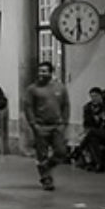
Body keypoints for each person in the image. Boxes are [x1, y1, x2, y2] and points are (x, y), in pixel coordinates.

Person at [23, 60, 70, 191]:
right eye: (40, 71)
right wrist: (33, 124)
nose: (41, 74)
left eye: (44, 71)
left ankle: (47, 166)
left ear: (51, 72)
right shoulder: (32, 89)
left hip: (57, 125)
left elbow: (65, 105)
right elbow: (28, 107)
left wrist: (64, 122)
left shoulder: (60, 88)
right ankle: (46, 179)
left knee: (61, 151)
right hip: (41, 125)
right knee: (42, 154)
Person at [77, 86, 105, 172]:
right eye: (92, 96)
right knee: (92, 139)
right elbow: (87, 123)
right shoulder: (88, 107)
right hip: (97, 132)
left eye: (96, 96)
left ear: (100, 96)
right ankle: (99, 164)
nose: (94, 99)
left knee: (91, 133)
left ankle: (77, 152)